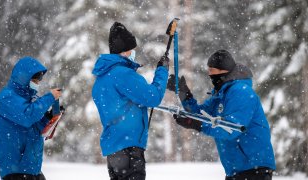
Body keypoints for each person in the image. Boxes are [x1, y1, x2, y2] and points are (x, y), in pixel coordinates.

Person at [167, 50, 276, 180]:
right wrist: (184, 93)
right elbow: (201, 115)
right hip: (236, 171)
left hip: (254, 169)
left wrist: (198, 125)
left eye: (212, 70)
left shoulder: (241, 92)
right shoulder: (221, 94)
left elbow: (232, 128)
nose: (209, 74)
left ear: (223, 71)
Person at [92, 22, 169, 180]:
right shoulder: (123, 74)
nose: (134, 53)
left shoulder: (101, 79)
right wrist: (162, 71)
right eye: (131, 50)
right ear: (125, 51)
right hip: (129, 149)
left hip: (113, 149)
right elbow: (152, 97)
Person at [0, 57, 62, 180]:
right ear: (24, 77)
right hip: (16, 170)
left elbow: (33, 129)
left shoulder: (25, 101)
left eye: (38, 80)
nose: (37, 83)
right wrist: (49, 97)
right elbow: (27, 117)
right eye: (35, 80)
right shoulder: (7, 98)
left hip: (31, 168)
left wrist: (48, 117)